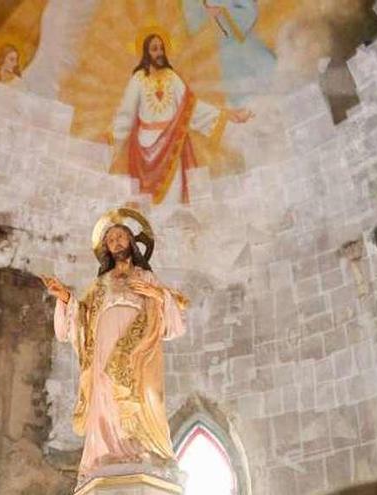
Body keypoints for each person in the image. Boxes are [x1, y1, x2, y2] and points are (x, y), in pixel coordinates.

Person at [42, 208, 187, 481]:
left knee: (142, 394)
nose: (117, 241)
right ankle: (108, 450)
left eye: (121, 236)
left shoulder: (146, 277)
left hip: (138, 346)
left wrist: (158, 294)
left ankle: (141, 448)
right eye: (111, 239)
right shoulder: (100, 284)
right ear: (106, 249)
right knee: (105, 393)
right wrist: (64, 298)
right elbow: (81, 319)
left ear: (132, 242)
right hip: (103, 345)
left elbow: (173, 318)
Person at [111, 32, 253, 204]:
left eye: (162, 48)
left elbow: (192, 107)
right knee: (145, 200)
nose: (159, 53)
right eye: (154, 49)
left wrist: (229, 115)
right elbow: (126, 113)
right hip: (144, 148)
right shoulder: (138, 79)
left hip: (172, 145)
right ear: (146, 52)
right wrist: (114, 139)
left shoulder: (172, 78)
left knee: (173, 194)